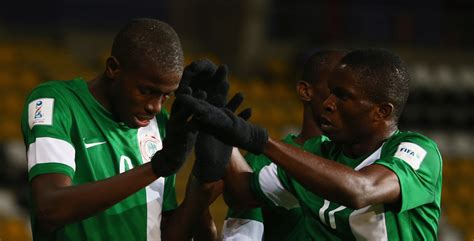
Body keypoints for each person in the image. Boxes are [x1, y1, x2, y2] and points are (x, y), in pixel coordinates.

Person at [177, 48, 442, 240]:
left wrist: (261, 141)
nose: (328, 103)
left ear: (381, 112)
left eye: (342, 96)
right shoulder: (318, 154)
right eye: (329, 93)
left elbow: (361, 189)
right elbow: (244, 193)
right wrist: (222, 127)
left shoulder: (418, 151)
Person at [21, 18, 228, 241]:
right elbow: (50, 209)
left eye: (165, 95)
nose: (155, 106)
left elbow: (166, 235)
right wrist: (158, 166)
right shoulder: (57, 103)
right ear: (113, 68)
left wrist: (204, 181)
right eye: (147, 90)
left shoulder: (162, 126)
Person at [221, 50, 347, 241]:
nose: (342, 101)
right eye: (335, 90)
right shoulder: (261, 160)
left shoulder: (368, 161)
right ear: (306, 91)